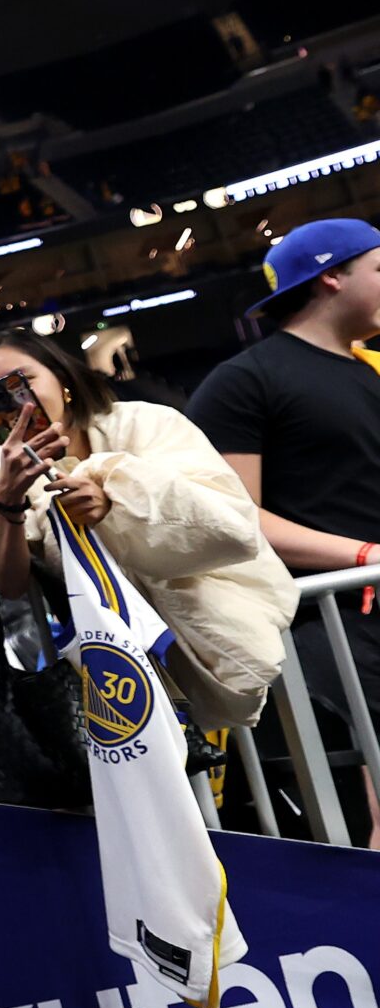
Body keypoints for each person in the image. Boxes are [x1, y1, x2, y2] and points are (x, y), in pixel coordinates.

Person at [0, 330, 298, 739]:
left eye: (22, 380)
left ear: (62, 378)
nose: (15, 400)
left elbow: (223, 517)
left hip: (227, 626)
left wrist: (117, 503)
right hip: (112, 665)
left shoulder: (145, 423)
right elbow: (10, 581)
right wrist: (8, 498)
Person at [188, 218, 380, 842]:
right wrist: (362, 555)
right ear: (333, 276)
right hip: (330, 624)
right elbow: (236, 519)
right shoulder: (246, 380)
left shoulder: (370, 371)